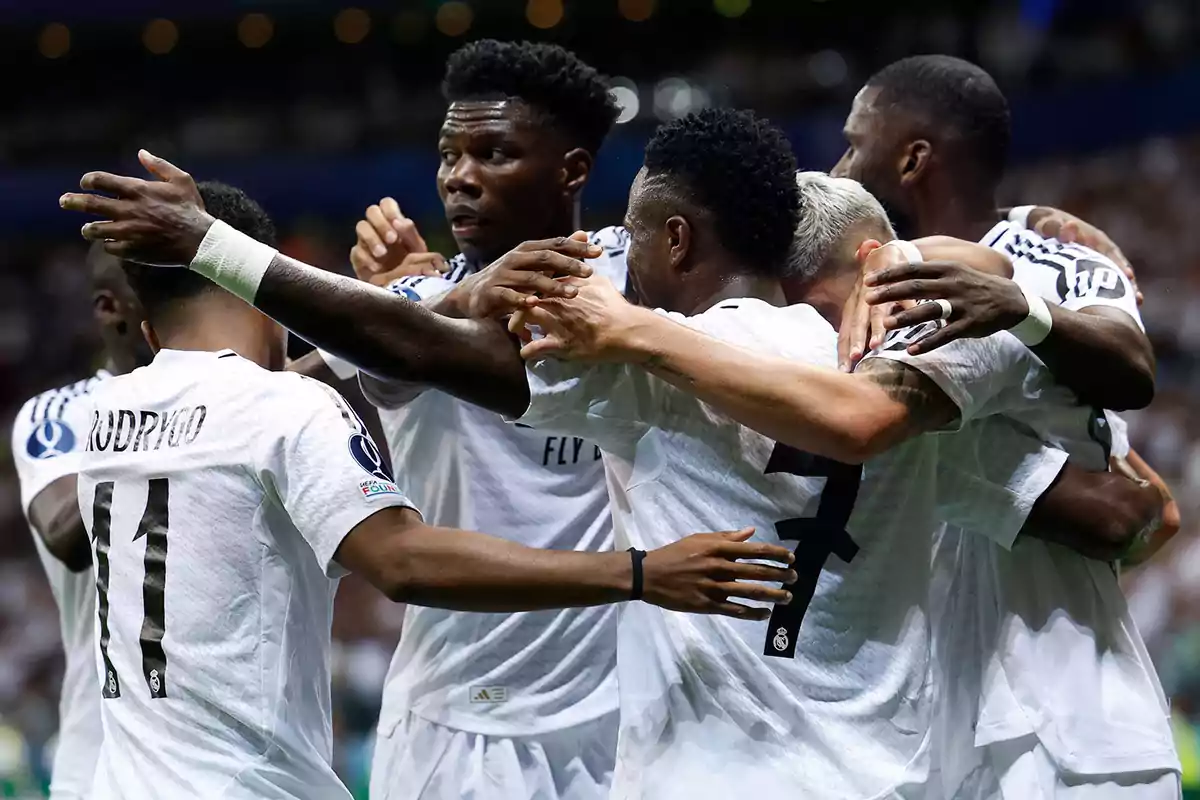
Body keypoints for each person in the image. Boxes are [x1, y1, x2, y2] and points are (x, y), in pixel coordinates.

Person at [61, 110, 1156, 799]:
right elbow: (1108, 476)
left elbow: (412, 343)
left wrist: (216, 245)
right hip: (894, 776)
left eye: (634, 231)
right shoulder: (924, 368)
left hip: (698, 776)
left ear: (676, 239)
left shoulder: (647, 371)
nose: (613, 257)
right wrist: (1019, 304)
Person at [68, 178, 794, 800]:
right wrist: (638, 573)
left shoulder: (101, 419)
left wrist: (428, 302)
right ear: (267, 287)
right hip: (249, 784)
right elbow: (403, 561)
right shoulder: (279, 410)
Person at [517, 171, 1178, 798]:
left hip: (1049, 734)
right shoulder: (917, 350)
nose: (812, 338)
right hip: (958, 732)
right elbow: (1152, 515)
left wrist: (640, 332)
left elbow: (1128, 511)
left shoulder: (944, 349)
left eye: (810, 312)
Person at [346, 40, 631, 800]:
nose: (459, 177)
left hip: (624, 712)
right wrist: (452, 297)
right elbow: (301, 376)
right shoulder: (405, 308)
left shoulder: (636, 278)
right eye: (449, 154)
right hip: (459, 727)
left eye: (493, 152)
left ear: (571, 169)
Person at [831, 55, 1155, 413]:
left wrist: (1019, 309)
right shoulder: (858, 258)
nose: (838, 170)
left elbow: (1135, 367)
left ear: (912, 162)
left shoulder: (1055, 264)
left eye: (854, 147)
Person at [9, 244, 151, 800]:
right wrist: (170, 418)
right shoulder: (60, 415)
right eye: (159, 289)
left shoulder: (252, 401)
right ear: (110, 307)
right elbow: (66, 533)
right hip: (100, 770)